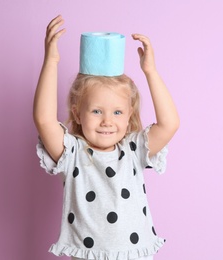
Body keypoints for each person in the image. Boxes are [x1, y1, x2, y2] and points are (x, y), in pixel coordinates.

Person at [33, 15, 179, 260]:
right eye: (96, 111)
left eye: (118, 112)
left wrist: (150, 71)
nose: (107, 121)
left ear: (129, 114)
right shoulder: (72, 153)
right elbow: (44, 120)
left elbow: (169, 124)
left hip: (135, 254)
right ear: (77, 113)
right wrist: (51, 62)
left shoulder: (134, 150)